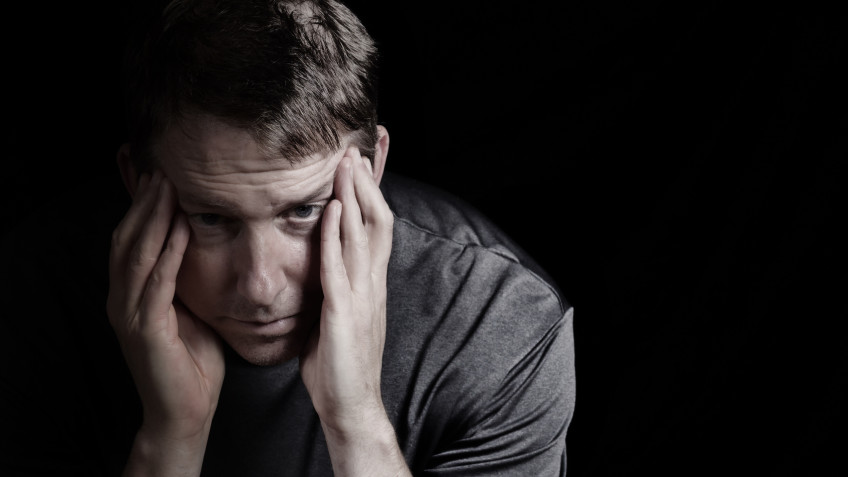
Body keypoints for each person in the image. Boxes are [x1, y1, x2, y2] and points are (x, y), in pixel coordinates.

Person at [0, 0, 574, 475]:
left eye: (304, 211)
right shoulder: (33, 304)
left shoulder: (496, 320)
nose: (259, 286)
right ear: (136, 180)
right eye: (212, 218)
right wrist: (170, 441)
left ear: (372, 168)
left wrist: (356, 424)